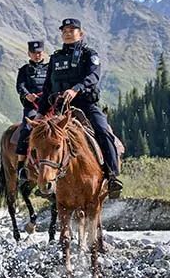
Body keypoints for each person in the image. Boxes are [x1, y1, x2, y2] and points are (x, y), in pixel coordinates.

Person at [35, 18, 123, 198]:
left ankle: (112, 176)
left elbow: (93, 76)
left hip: (85, 104)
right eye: (64, 30)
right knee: (41, 138)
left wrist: (76, 89)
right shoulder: (55, 58)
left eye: (72, 30)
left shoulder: (89, 55)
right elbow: (47, 89)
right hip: (59, 108)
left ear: (80, 34)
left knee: (102, 130)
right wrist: (40, 113)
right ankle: (40, 178)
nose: (67, 33)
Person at [15, 40, 48, 194]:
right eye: (34, 53)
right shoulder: (24, 70)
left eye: (39, 52)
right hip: (32, 108)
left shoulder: (50, 69)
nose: (37, 55)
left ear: (43, 53)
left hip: (48, 106)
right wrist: (27, 95)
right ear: (29, 54)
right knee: (27, 129)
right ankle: (21, 167)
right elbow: (20, 86)